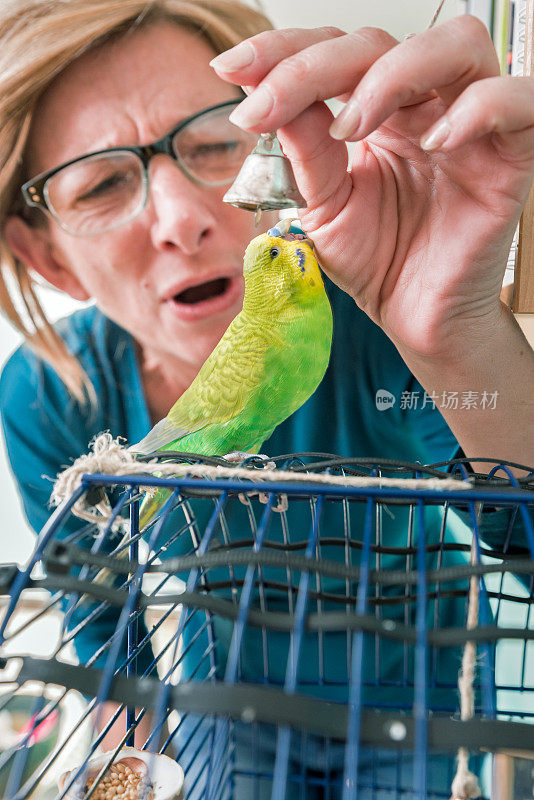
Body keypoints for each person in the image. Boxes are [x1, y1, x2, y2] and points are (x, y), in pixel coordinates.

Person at [0, 0, 532, 797]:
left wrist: (456, 335)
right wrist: (133, 772)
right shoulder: (47, 398)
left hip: (422, 695)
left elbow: (517, 528)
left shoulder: (378, 327)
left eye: (218, 143)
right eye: (102, 182)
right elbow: (107, 634)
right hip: (227, 709)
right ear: (46, 257)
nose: (183, 220)